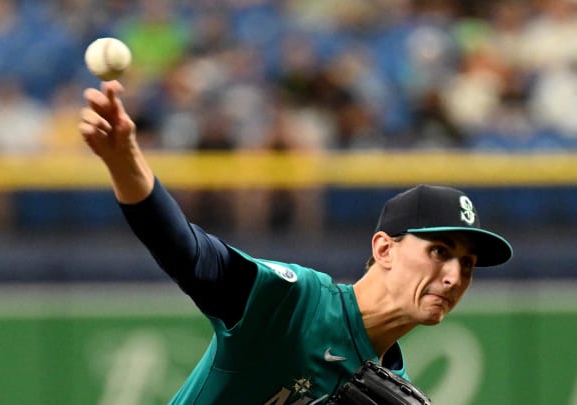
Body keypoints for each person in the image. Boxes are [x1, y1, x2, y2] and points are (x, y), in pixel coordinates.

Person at [78, 81, 513, 404]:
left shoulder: (390, 391)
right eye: (439, 252)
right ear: (384, 249)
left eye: (468, 264)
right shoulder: (292, 303)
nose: (454, 276)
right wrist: (125, 162)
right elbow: (187, 251)